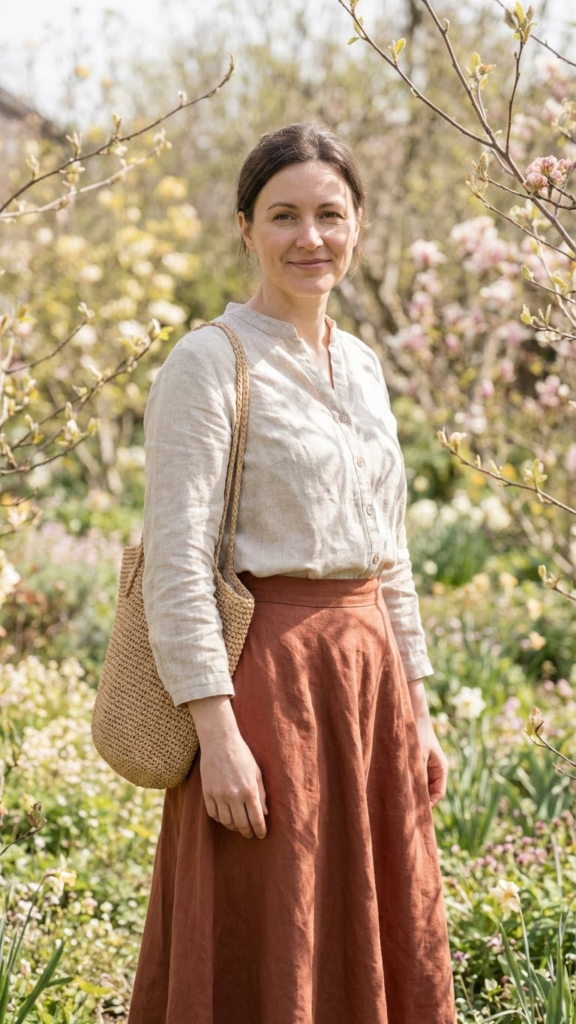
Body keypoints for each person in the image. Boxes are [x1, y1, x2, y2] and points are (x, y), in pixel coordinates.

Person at [127, 121, 456, 1024]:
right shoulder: (208, 362)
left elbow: (390, 555)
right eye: (283, 216)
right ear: (245, 229)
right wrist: (217, 735)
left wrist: (419, 711)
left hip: (369, 685)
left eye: (329, 214)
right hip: (264, 691)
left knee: (373, 930)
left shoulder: (364, 366)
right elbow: (176, 563)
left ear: (358, 225)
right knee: (268, 932)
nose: (310, 237)